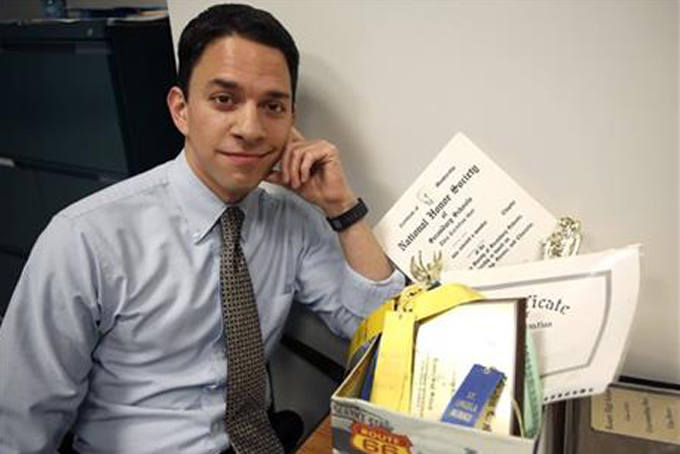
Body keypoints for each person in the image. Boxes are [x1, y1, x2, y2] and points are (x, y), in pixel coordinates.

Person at [0, 4, 404, 454]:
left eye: (272, 106)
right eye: (224, 100)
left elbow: (382, 330)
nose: (250, 129)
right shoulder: (85, 240)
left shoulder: (290, 218)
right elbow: (21, 421)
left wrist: (341, 207)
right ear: (181, 110)